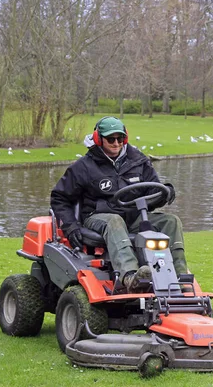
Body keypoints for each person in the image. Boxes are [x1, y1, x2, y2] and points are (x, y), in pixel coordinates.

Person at [50, 116, 188, 293]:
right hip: (97, 218)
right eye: (110, 139)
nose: (116, 143)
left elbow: (153, 192)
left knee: (171, 221)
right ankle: (129, 276)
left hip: (133, 216)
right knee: (115, 221)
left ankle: (179, 277)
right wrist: (71, 227)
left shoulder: (139, 161)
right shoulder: (83, 167)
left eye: (120, 139)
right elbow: (59, 198)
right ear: (99, 139)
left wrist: (165, 192)